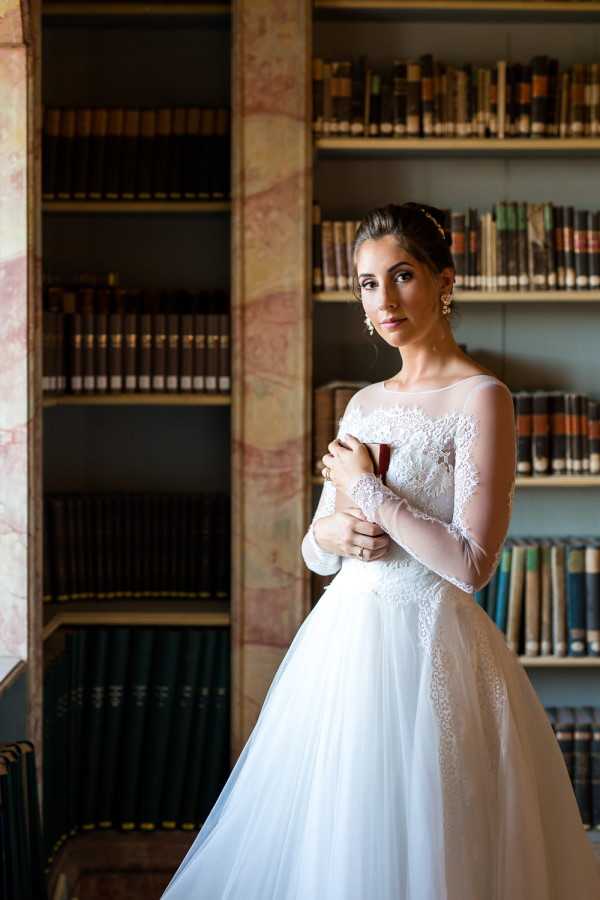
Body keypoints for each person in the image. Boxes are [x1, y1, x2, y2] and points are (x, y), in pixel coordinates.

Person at [161, 202, 600, 899]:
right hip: (343, 654)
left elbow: (470, 566)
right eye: (368, 282)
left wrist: (369, 493)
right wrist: (334, 531)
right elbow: (317, 548)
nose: (384, 299)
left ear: (443, 281)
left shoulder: (483, 398)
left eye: (401, 276)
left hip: (435, 652)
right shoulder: (362, 403)